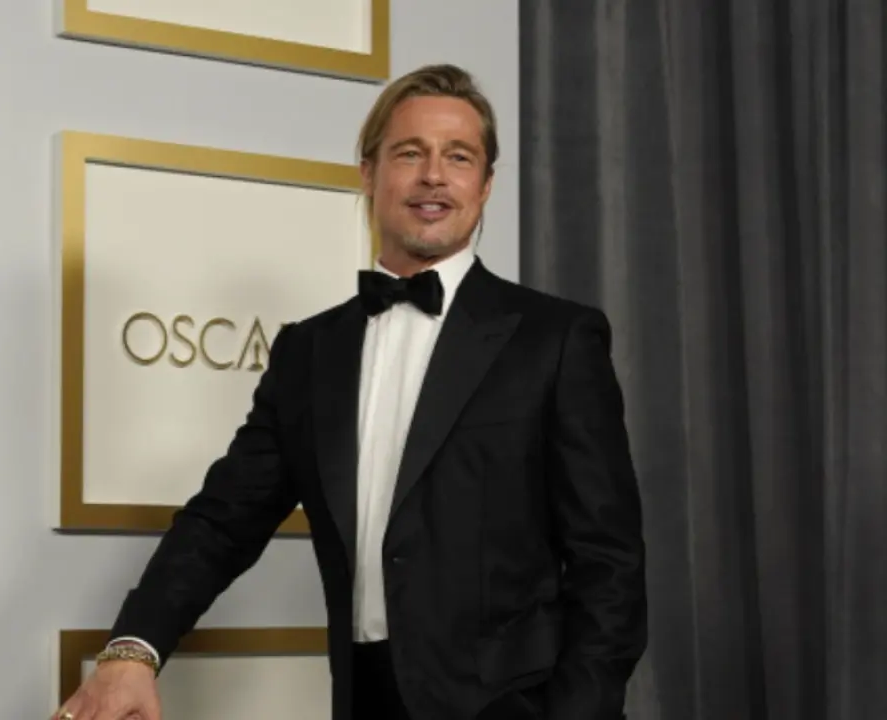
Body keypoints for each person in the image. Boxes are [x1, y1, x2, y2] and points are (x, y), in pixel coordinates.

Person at [52, 63, 647, 720]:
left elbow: (608, 562)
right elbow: (223, 521)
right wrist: (132, 650)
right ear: (368, 173)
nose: (433, 175)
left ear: (485, 185)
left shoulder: (555, 338)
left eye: (458, 157)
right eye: (410, 153)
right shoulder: (309, 353)